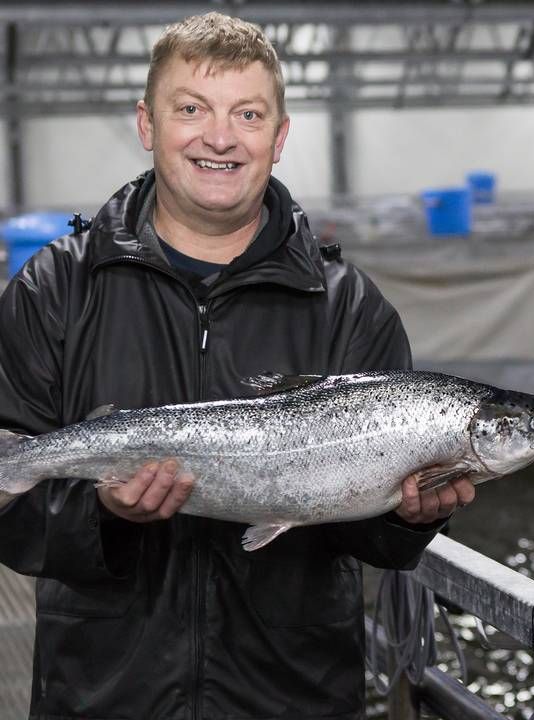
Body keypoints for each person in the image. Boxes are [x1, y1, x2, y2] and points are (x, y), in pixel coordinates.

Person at [0, 12, 474, 719]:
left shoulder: (349, 307)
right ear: (147, 124)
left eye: (247, 114)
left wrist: (409, 519)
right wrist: (104, 512)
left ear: (278, 138)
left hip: (292, 697)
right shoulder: (57, 289)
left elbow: (368, 540)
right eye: (190, 109)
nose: (219, 137)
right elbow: (16, 519)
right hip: (104, 698)